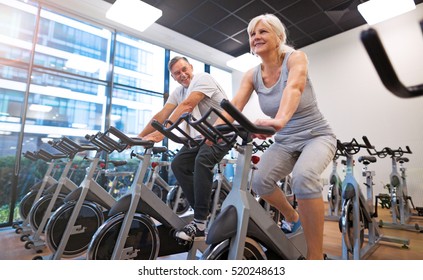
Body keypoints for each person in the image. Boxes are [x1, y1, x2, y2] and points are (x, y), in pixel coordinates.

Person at [211, 14, 336, 260]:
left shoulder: (296, 58)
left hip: (316, 136)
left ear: (279, 36)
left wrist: (279, 120)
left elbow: (295, 87)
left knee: (304, 176)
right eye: (252, 34)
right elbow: (234, 105)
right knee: (259, 182)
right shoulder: (252, 74)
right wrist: (212, 131)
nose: (256, 37)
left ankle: (315, 256)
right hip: (285, 141)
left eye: (263, 31)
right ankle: (292, 217)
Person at [137, 56, 231, 242]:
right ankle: (203, 211)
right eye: (177, 74)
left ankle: (200, 224)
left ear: (191, 67)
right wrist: (139, 138)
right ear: (173, 78)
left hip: (223, 131)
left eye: (184, 69)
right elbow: (162, 114)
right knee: (179, 164)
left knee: (202, 161)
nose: (182, 75)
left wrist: (164, 132)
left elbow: (188, 105)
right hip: (201, 136)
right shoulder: (178, 92)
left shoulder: (202, 78)